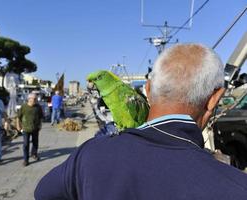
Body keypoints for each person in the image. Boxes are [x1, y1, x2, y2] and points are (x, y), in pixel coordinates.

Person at [34, 44, 247, 199]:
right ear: (214, 99)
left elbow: (42, 192)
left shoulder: (88, 155)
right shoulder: (236, 187)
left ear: (147, 89)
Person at [17, 93, 43, 166]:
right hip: (25, 129)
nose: (35, 100)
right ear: (29, 99)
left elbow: (41, 117)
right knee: (26, 144)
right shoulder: (24, 107)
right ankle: (26, 159)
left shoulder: (38, 107)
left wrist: (40, 125)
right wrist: (18, 126)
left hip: (35, 128)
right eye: (34, 99)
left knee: (35, 143)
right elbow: (18, 117)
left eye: (36, 99)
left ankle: (34, 154)